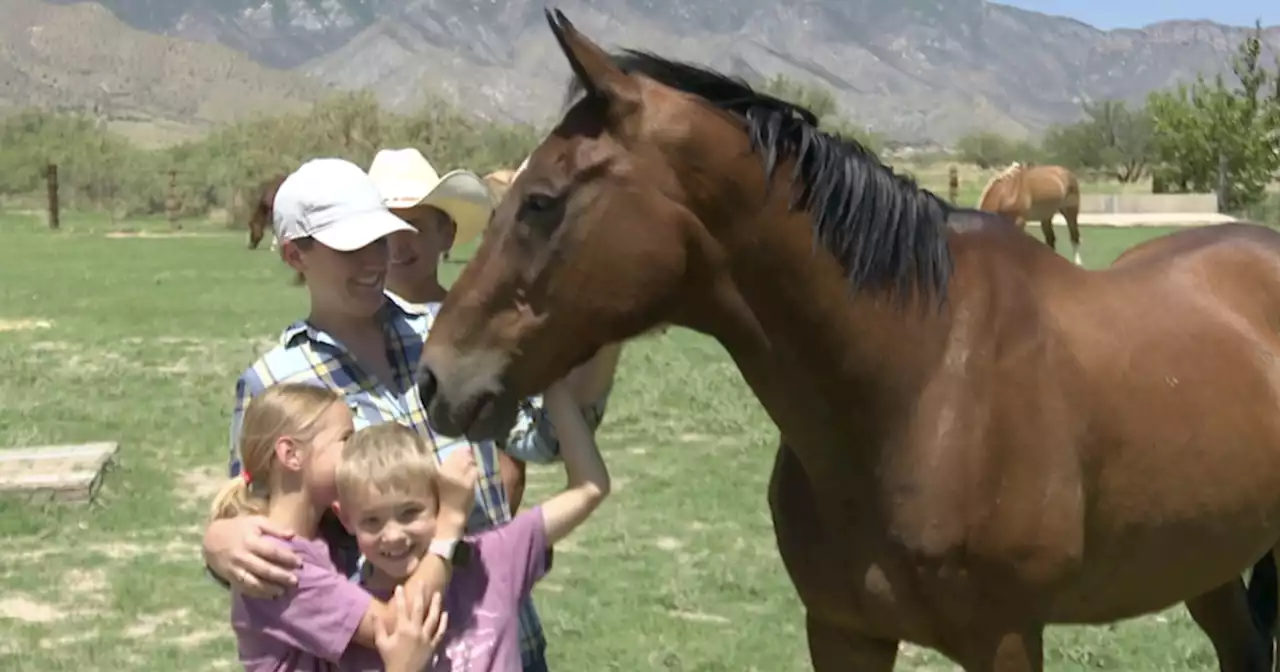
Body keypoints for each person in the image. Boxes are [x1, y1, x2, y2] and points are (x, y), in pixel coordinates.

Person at [201, 157, 615, 672]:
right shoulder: (273, 383)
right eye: (350, 247)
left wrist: (602, 325)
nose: (376, 258)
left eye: (378, 239)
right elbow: (262, 529)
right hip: (392, 650)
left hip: (502, 640)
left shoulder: (449, 334)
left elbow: (544, 437)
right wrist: (221, 542)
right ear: (294, 255)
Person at [367, 147, 623, 517]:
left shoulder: (481, 331)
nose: (400, 243)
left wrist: (606, 329)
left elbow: (542, 439)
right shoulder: (351, 334)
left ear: (446, 234)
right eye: (388, 228)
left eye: (416, 226)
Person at [335, 383, 610, 672]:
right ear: (346, 520)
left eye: (409, 513)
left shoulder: (493, 558)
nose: (393, 535)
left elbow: (590, 488)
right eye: (371, 521)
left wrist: (555, 386)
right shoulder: (354, 617)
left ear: (440, 502)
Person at [208, 382, 463, 672]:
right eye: (346, 438)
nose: (355, 451)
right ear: (291, 454)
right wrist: (448, 529)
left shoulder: (322, 536)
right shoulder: (277, 562)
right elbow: (395, 626)